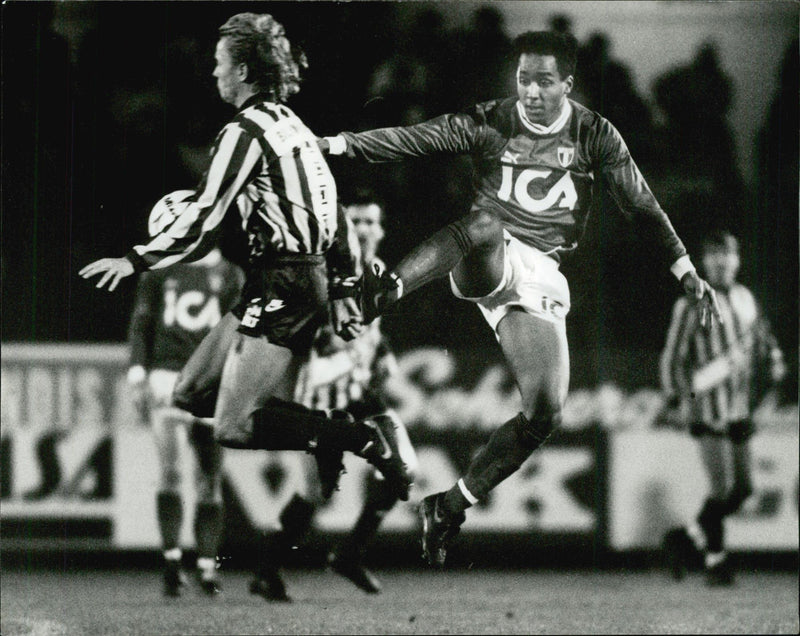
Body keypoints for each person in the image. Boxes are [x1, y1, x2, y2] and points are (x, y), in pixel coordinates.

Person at [318, 30, 721, 567]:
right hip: (484, 254)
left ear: (567, 85)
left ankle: (449, 505)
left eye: (543, 81)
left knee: (545, 413)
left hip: (541, 272)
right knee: (485, 222)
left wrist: (685, 270)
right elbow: (420, 138)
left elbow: (641, 204)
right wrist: (341, 144)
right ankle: (385, 291)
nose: (530, 91)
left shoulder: (595, 134)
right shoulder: (493, 120)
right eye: (523, 79)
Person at [79, 10, 413, 591]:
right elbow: (331, 214)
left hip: (285, 281)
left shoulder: (244, 132)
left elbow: (205, 218)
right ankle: (326, 435)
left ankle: (348, 436)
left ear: (241, 70)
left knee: (233, 427)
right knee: (188, 393)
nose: (212, 73)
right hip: (282, 278)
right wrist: (343, 284)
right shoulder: (295, 127)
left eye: (218, 63)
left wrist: (134, 258)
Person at [254, 191, 418, 600]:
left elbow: (370, 332)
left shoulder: (379, 270)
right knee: (316, 494)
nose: (362, 229)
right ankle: (267, 572)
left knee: (404, 468)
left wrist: (383, 355)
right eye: (355, 221)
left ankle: (349, 553)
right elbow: (306, 327)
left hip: (361, 392)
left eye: (369, 222)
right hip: (322, 392)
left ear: (380, 230)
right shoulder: (327, 269)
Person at [127, 197, 244, 596]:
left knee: (209, 477)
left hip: (211, 380)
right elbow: (142, 323)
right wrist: (138, 373)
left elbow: (240, 335)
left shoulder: (230, 274)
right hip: (167, 377)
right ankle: (173, 562)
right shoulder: (159, 272)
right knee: (172, 471)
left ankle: (207, 568)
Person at [659, 230, 785, 586]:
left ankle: (683, 539)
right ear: (704, 261)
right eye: (714, 254)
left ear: (737, 259)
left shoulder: (745, 297)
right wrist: (676, 397)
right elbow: (673, 355)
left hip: (739, 406)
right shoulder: (692, 301)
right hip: (707, 405)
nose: (721, 260)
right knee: (721, 488)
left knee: (743, 490)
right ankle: (715, 562)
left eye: (727, 253)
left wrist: (774, 357)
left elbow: (761, 335)